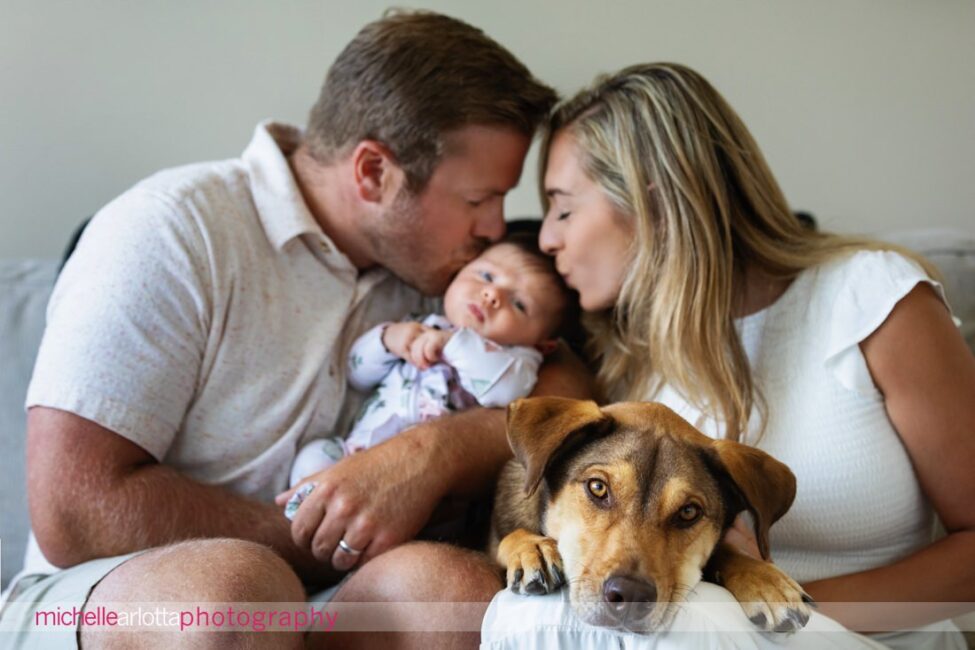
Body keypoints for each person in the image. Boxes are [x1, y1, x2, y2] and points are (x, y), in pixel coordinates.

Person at [1, 10, 594, 650]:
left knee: (453, 596)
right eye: (479, 200)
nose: (494, 228)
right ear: (374, 173)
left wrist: (433, 454)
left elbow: (564, 381)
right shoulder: (171, 231)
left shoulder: (448, 270)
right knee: (234, 600)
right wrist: (324, 532)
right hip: (99, 594)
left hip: (319, 594)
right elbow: (75, 511)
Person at [479, 62, 975, 650]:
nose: (546, 239)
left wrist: (767, 611)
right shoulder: (629, 358)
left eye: (563, 207)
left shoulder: (873, 297)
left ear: (652, 199)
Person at [285, 231, 576, 494]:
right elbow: (356, 372)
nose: (492, 295)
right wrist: (388, 340)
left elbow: (504, 391)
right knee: (314, 457)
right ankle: (308, 514)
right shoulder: (423, 324)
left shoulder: (517, 362)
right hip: (352, 453)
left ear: (543, 343)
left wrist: (452, 344)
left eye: (519, 304)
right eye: (486, 276)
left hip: (408, 482)